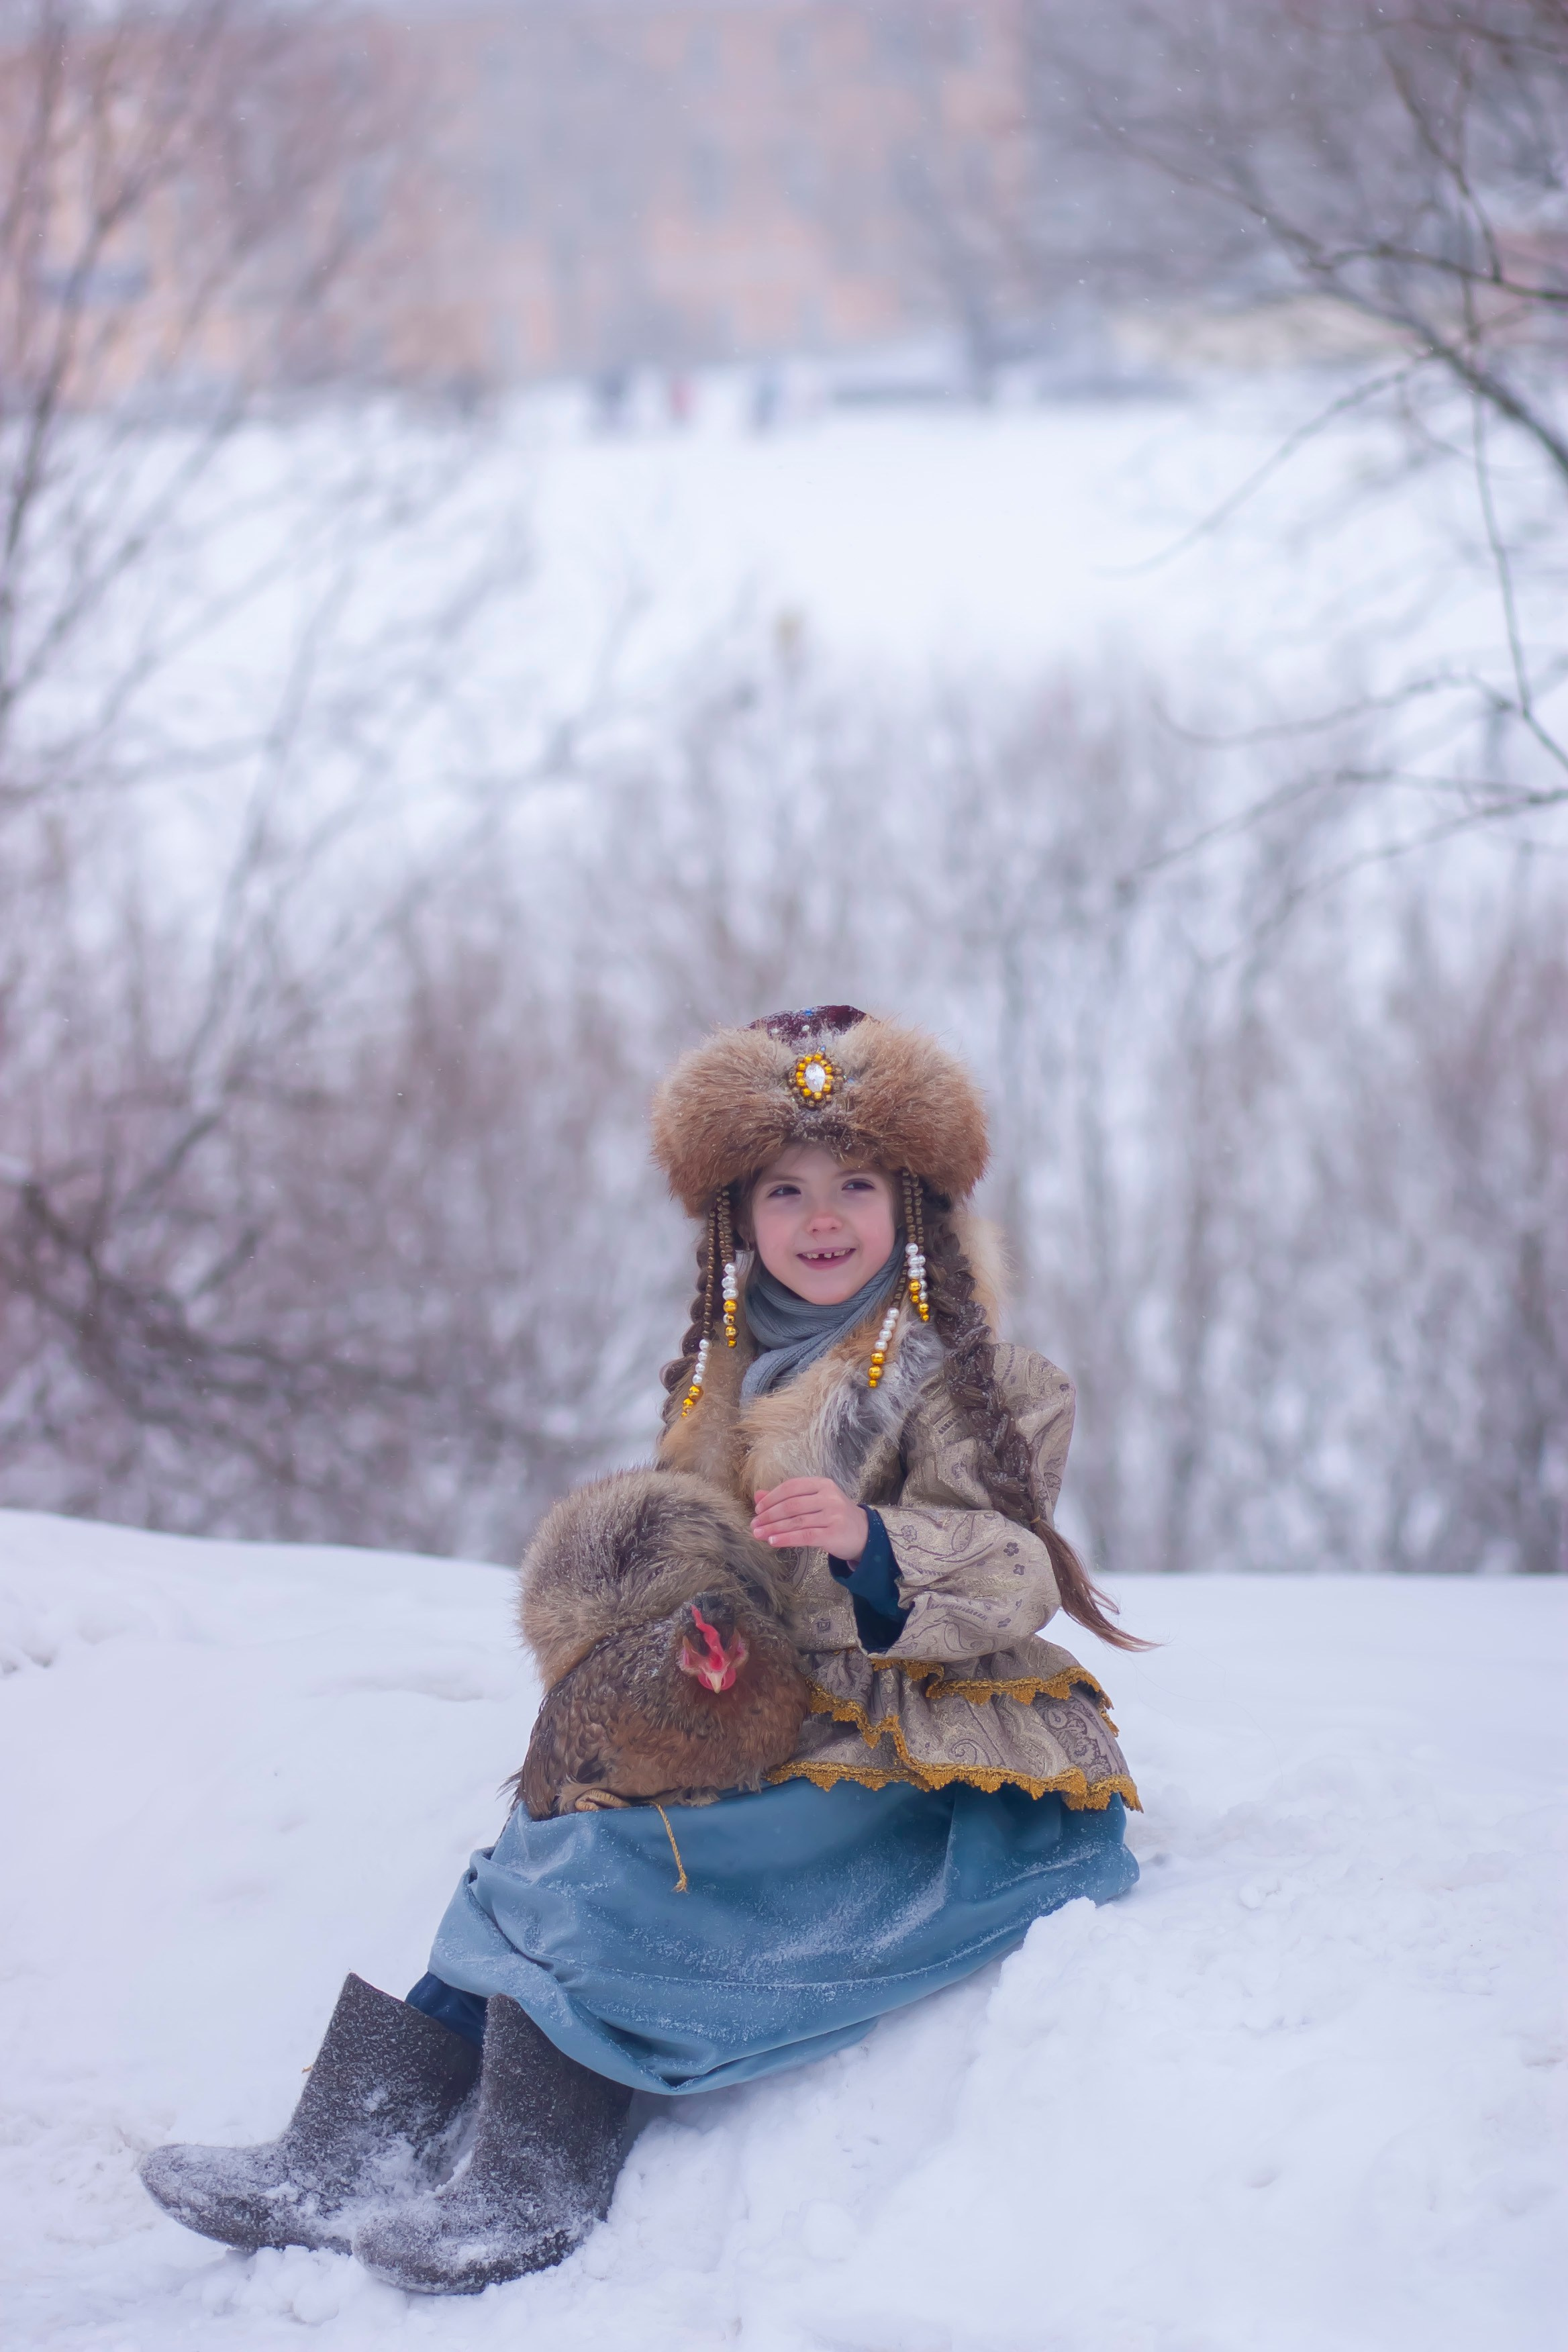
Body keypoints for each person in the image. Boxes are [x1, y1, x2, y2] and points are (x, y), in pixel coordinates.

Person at [140, 1007, 1145, 2295]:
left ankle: (533, 2176)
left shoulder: (983, 1376)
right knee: (543, 1832)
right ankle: (347, 2148)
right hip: (779, 1712)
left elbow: (1016, 1572)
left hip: (936, 1753)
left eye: (855, 1186)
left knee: (626, 1860)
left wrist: (872, 1538)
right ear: (738, 1219)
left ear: (915, 1205)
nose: (821, 1216)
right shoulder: (718, 1381)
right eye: (785, 1190)